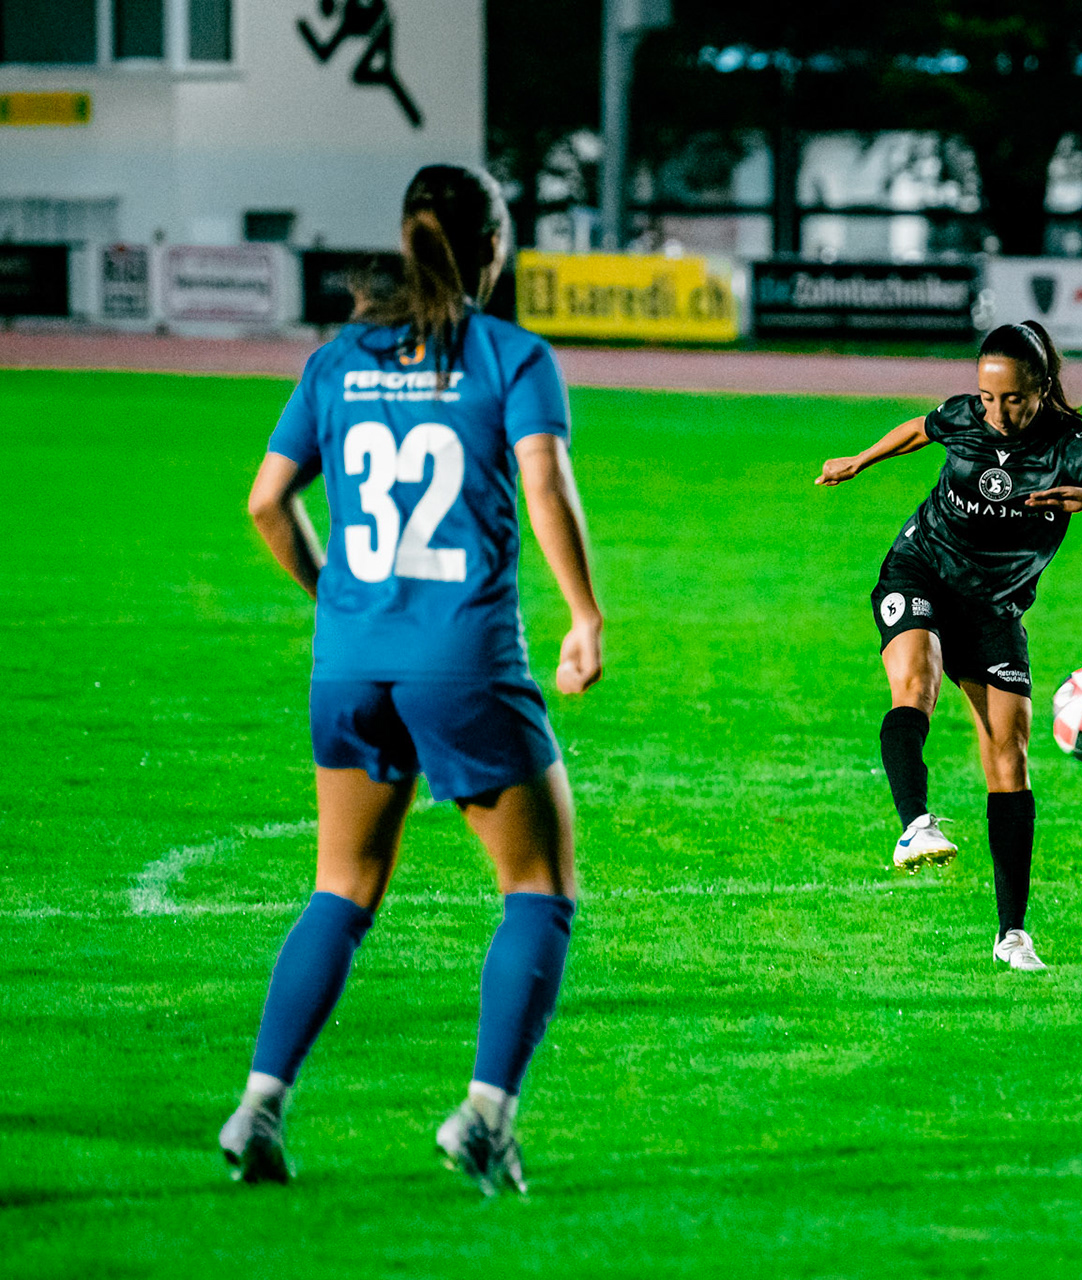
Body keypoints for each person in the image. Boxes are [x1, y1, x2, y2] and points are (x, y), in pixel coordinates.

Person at [219, 164, 606, 1194]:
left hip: (350, 659)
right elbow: (546, 487)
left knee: (340, 886)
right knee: (539, 888)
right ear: (495, 247)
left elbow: (266, 501)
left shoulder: (340, 356)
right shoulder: (510, 356)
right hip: (465, 659)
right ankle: (484, 1115)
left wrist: (336, 596)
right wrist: (584, 613)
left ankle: (259, 1103)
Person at [816, 322, 1082, 972]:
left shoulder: (1070, 447)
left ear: (1040, 388)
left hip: (994, 607)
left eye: (1012, 398)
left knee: (1007, 760)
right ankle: (915, 824)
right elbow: (920, 429)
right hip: (920, 568)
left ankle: (1012, 935)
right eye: (987, 398)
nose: (997, 411)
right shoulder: (965, 416)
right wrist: (859, 460)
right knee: (915, 684)